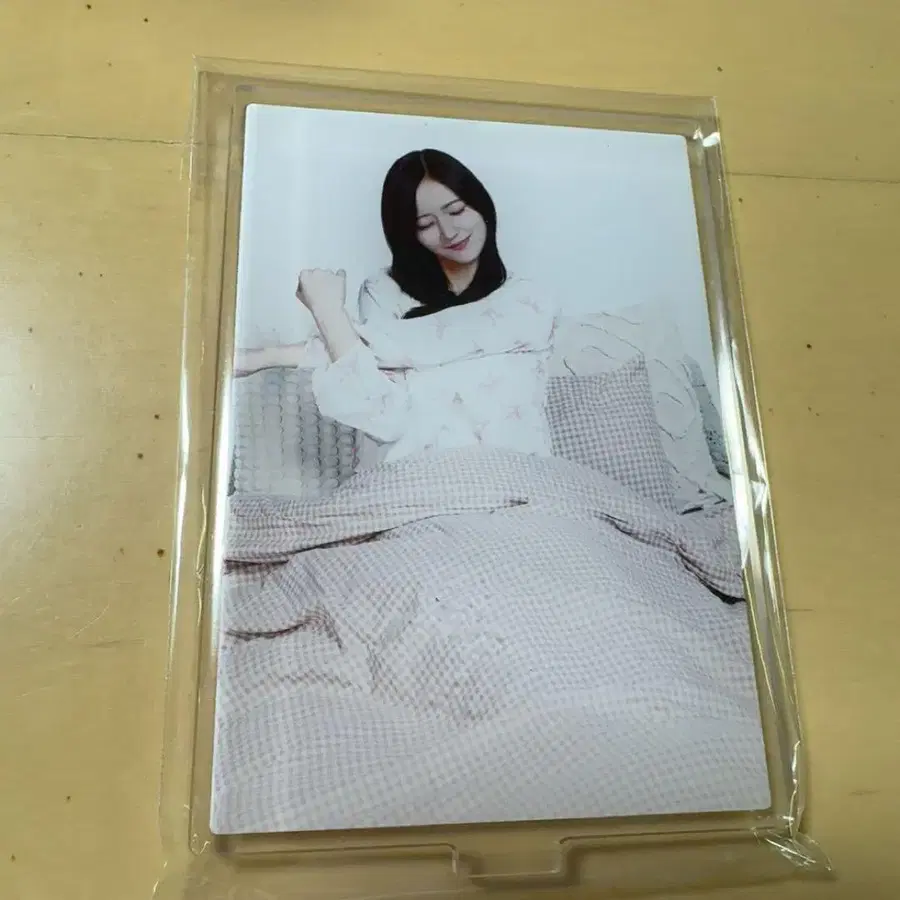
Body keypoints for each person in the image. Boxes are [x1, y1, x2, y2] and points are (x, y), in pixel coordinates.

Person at [266, 149, 558, 464]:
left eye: (457, 210)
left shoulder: (527, 299)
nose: (449, 232)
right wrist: (333, 322)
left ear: (481, 204)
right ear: (408, 232)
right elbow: (382, 416)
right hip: (418, 478)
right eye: (425, 224)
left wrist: (329, 320)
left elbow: (434, 341)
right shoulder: (383, 292)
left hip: (520, 476)